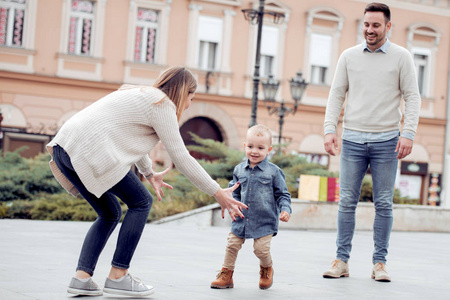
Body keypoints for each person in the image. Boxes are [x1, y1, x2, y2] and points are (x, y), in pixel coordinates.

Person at [46, 66, 248, 297]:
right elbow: (181, 158)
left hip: (65, 148)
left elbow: (128, 136)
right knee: (141, 202)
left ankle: (81, 278)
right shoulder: (162, 105)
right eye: (191, 96)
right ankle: (118, 276)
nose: (190, 103)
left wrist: (149, 173)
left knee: (110, 212)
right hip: (90, 151)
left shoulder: (137, 92)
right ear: (183, 92)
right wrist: (218, 192)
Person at [322, 2, 421, 282]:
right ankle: (341, 261)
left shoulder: (402, 57)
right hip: (352, 138)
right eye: (366, 24)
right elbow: (336, 94)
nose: (370, 30)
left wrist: (408, 132)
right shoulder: (349, 56)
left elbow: (412, 97)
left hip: (387, 140)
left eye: (376, 25)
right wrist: (329, 129)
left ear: (388, 27)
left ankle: (380, 264)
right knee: (346, 203)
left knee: (384, 204)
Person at [210, 124, 291, 290]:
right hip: (241, 217)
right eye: (251, 146)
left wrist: (285, 209)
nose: (255, 151)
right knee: (232, 244)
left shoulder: (274, 172)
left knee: (261, 250)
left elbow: (283, 194)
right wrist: (231, 204)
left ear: (269, 150)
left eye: (260, 148)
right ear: (245, 146)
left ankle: (267, 268)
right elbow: (234, 191)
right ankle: (226, 274)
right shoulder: (239, 170)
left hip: (264, 220)